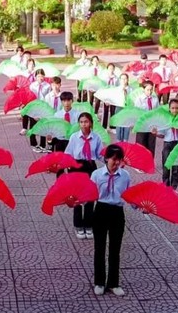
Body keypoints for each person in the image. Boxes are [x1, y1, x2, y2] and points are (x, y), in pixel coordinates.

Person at [90, 143, 131, 297]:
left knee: (115, 249)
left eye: (118, 160)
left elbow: (129, 197)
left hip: (117, 213)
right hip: (100, 210)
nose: (115, 163)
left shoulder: (125, 176)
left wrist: (141, 207)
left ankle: (113, 283)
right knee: (99, 248)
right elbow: (89, 195)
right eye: (113, 159)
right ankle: (99, 282)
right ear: (106, 159)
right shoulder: (96, 175)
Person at [64, 112, 104, 239]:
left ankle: (88, 225)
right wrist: (65, 166)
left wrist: (111, 161)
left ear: (91, 123)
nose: (83, 124)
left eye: (86, 121)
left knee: (89, 197)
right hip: (76, 167)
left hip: (90, 167)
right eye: (81, 122)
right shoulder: (74, 137)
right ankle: (78, 225)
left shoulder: (96, 138)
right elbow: (68, 153)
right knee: (76, 197)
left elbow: (100, 154)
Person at [155, 98, 178, 190]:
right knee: (166, 167)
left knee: (176, 169)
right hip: (167, 143)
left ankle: (173, 188)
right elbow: (161, 134)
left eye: (176, 108)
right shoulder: (165, 120)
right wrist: (155, 133)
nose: (174, 110)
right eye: (173, 108)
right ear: (169, 109)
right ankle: (165, 187)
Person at [26, 69, 51, 152]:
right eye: (38, 76)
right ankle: (34, 144)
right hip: (34, 107)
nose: (40, 78)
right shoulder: (32, 86)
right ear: (35, 77)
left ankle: (42, 144)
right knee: (33, 126)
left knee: (43, 127)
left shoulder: (47, 86)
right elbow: (29, 97)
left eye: (42, 76)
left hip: (43, 107)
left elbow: (49, 97)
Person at [134, 81, 159, 157]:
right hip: (142, 125)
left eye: (151, 89)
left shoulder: (155, 99)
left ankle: (150, 162)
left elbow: (158, 111)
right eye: (148, 89)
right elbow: (137, 112)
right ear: (143, 89)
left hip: (152, 125)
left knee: (151, 144)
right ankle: (140, 162)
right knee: (141, 143)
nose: (150, 91)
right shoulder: (139, 99)